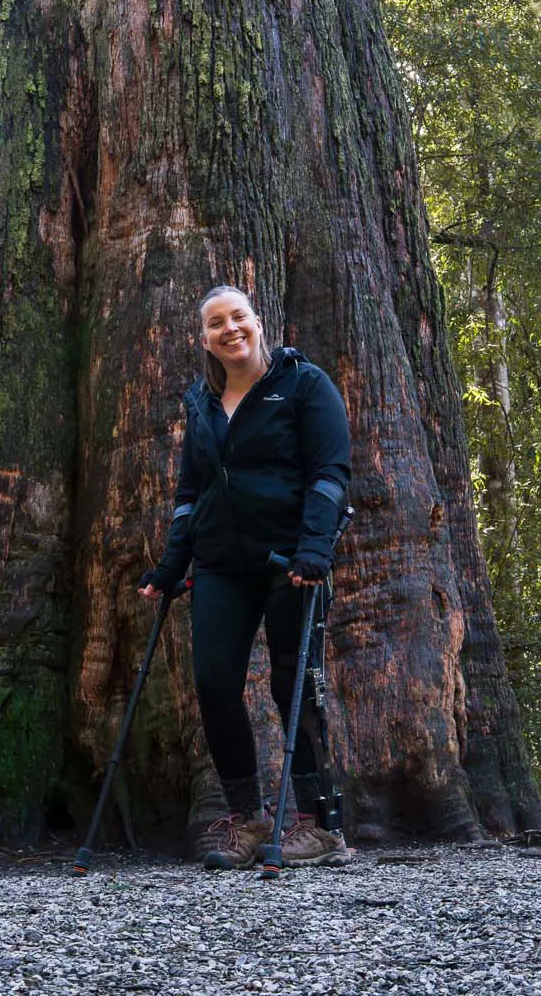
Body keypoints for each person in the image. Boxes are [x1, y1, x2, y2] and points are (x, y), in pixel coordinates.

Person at [137, 284, 354, 870]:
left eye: (238, 318)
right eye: (215, 324)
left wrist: (314, 548)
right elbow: (192, 492)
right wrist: (171, 565)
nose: (229, 330)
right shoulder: (201, 402)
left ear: (258, 322)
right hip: (220, 566)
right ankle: (250, 820)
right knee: (212, 682)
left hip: (291, 562)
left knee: (293, 682)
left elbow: (330, 471)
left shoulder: (304, 385)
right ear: (203, 338)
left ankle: (318, 825)